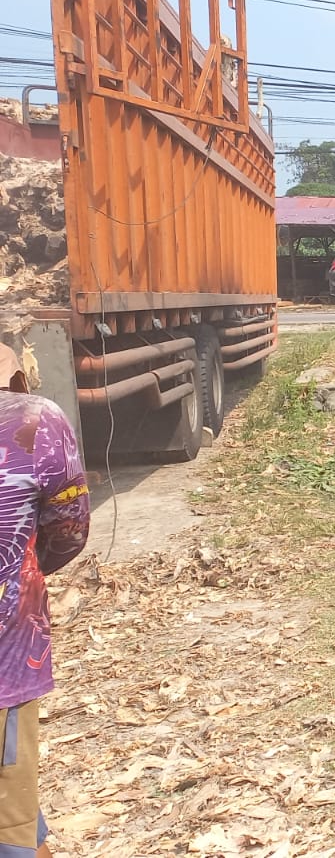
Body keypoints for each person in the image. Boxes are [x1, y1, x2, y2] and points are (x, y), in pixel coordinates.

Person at [0, 344, 90, 858]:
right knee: (7, 822)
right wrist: (22, 572)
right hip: (7, 654)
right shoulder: (35, 421)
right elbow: (68, 529)